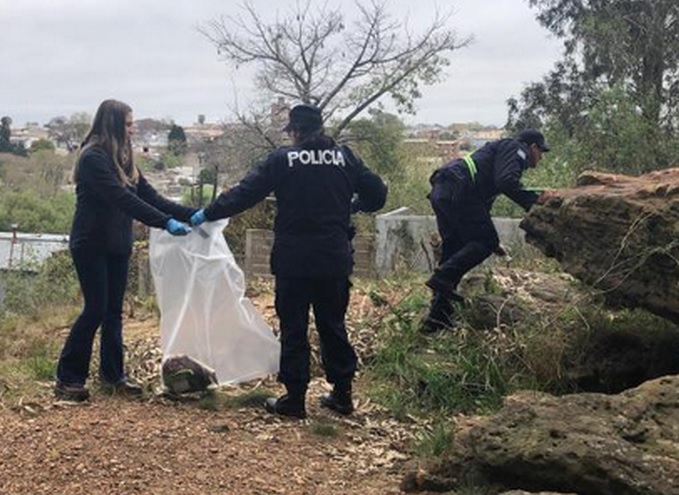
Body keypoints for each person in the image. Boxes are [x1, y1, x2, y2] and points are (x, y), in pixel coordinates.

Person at [190, 104, 388, 419]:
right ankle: (342, 395)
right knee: (332, 325)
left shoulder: (283, 159)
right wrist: (353, 205)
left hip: (294, 259)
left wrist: (206, 214)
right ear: (321, 129)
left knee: (293, 326)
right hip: (333, 258)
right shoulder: (345, 157)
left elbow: (245, 193)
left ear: (295, 132)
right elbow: (378, 195)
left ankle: (294, 399)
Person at [54, 99, 196, 402]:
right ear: (113, 124)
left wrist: (191, 214)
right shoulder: (93, 158)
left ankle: (113, 376)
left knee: (113, 312)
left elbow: (150, 196)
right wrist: (164, 223)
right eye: (129, 124)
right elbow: (122, 199)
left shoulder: (124, 158)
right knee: (95, 309)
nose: (132, 130)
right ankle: (68, 378)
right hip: (90, 243)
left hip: (117, 245)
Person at [421, 129, 552, 333]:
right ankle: (442, 277)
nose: (541, 157)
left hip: (445, 191)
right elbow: (507, 182)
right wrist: (534, 201)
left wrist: (491, 243)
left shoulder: (496, 157)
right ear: (532, 147)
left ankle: (436, 320)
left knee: (454, 253)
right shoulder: (515, 148)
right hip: (457, 189)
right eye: (541, 152)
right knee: (483, 244)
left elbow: (481, 210)